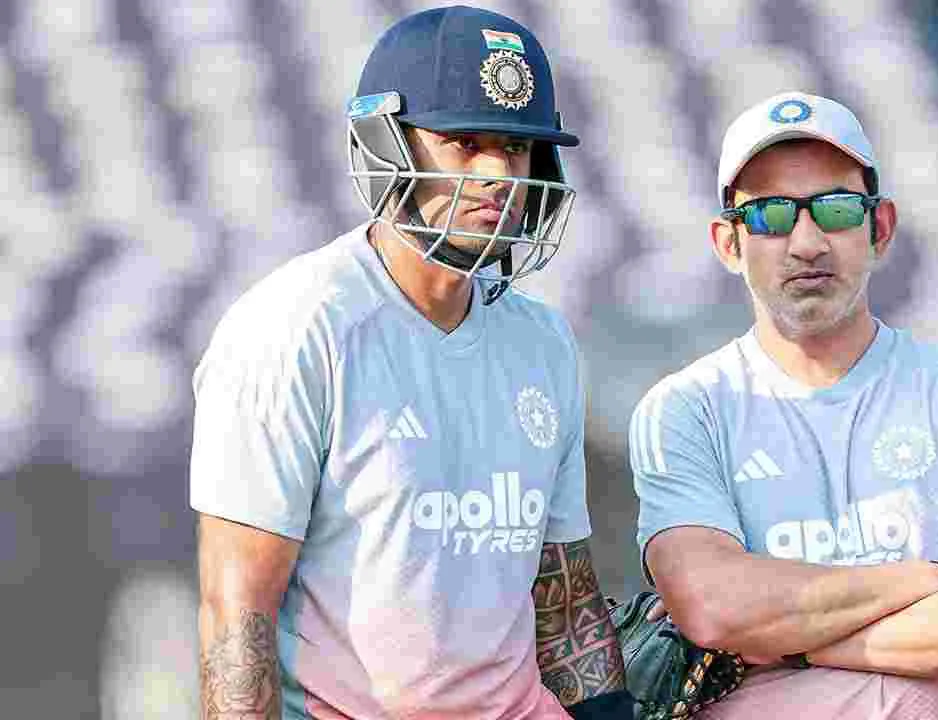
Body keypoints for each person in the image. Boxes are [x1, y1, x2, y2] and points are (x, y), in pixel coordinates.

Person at [190, 7, 632, 719]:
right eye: (464, 143)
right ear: (385, 146)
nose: (499, 174)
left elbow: (566, 598)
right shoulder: (294, 329)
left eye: (517, 148)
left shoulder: (543, 341)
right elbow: (237, 608)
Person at [628, 92, 938, 719]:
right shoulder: (687, 409)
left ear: (879, 229)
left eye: (835, 209)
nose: (806, 242)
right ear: (728, 243)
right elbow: (711, 607)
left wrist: (783, 642)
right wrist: (925, 581)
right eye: (771, 214)